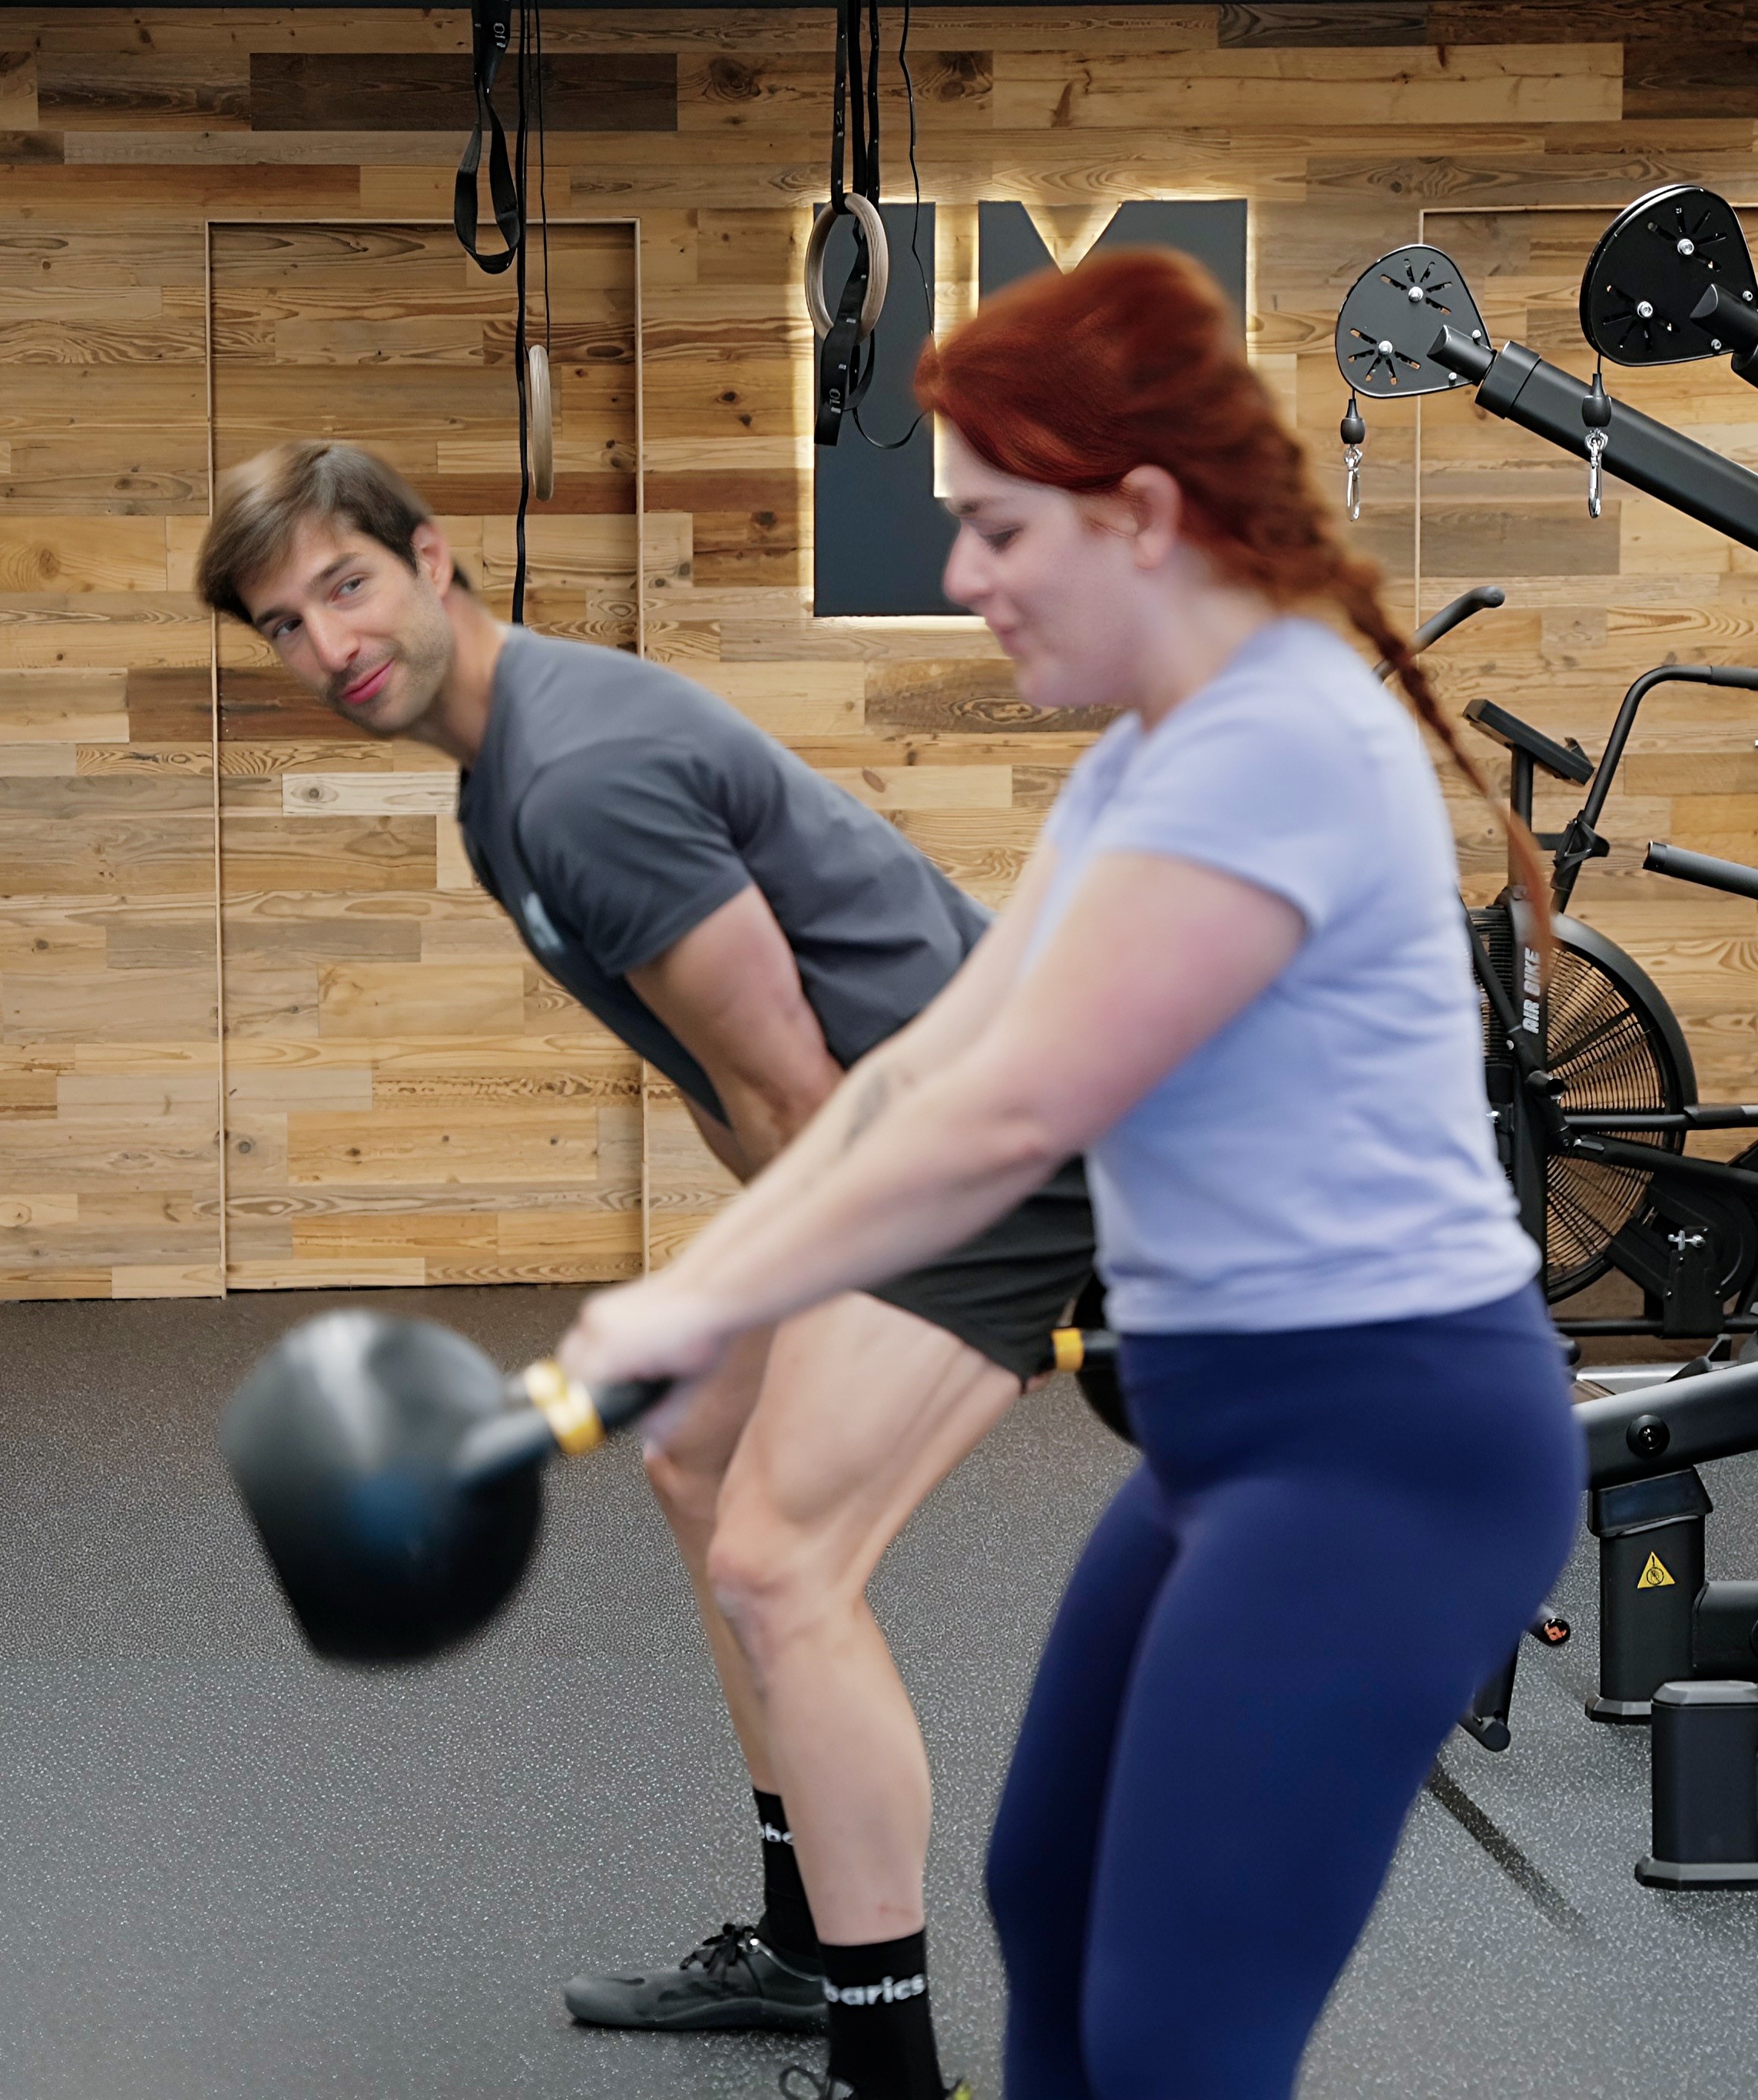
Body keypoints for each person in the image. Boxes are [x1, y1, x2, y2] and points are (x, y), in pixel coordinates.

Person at [555, 249, 1584, 2099]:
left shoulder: (1275, 743)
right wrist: (693, 1298)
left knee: (1177, 2026)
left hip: (1387, 1451)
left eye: (993, 529)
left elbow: (1010, 1115)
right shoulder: (1145, 761)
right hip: (1225, 1442)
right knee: (1047, 1894)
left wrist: (692, 1303)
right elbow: (923, 1066)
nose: (960, 578)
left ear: (1139, 516)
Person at [196, 443, 1098, 2100]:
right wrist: (738, 1296)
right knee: (692, 1455)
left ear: (432, 559)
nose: (326, 645)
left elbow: (792, 1093)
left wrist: (773, 1291)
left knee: (778, 1560)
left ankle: (886, 2061)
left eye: (345, 586)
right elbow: (728, 1084)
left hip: (986, 1149)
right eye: (280, 624)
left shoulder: (571, 779)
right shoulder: (503, 783)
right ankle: (805, 1938)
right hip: (891, 1128)